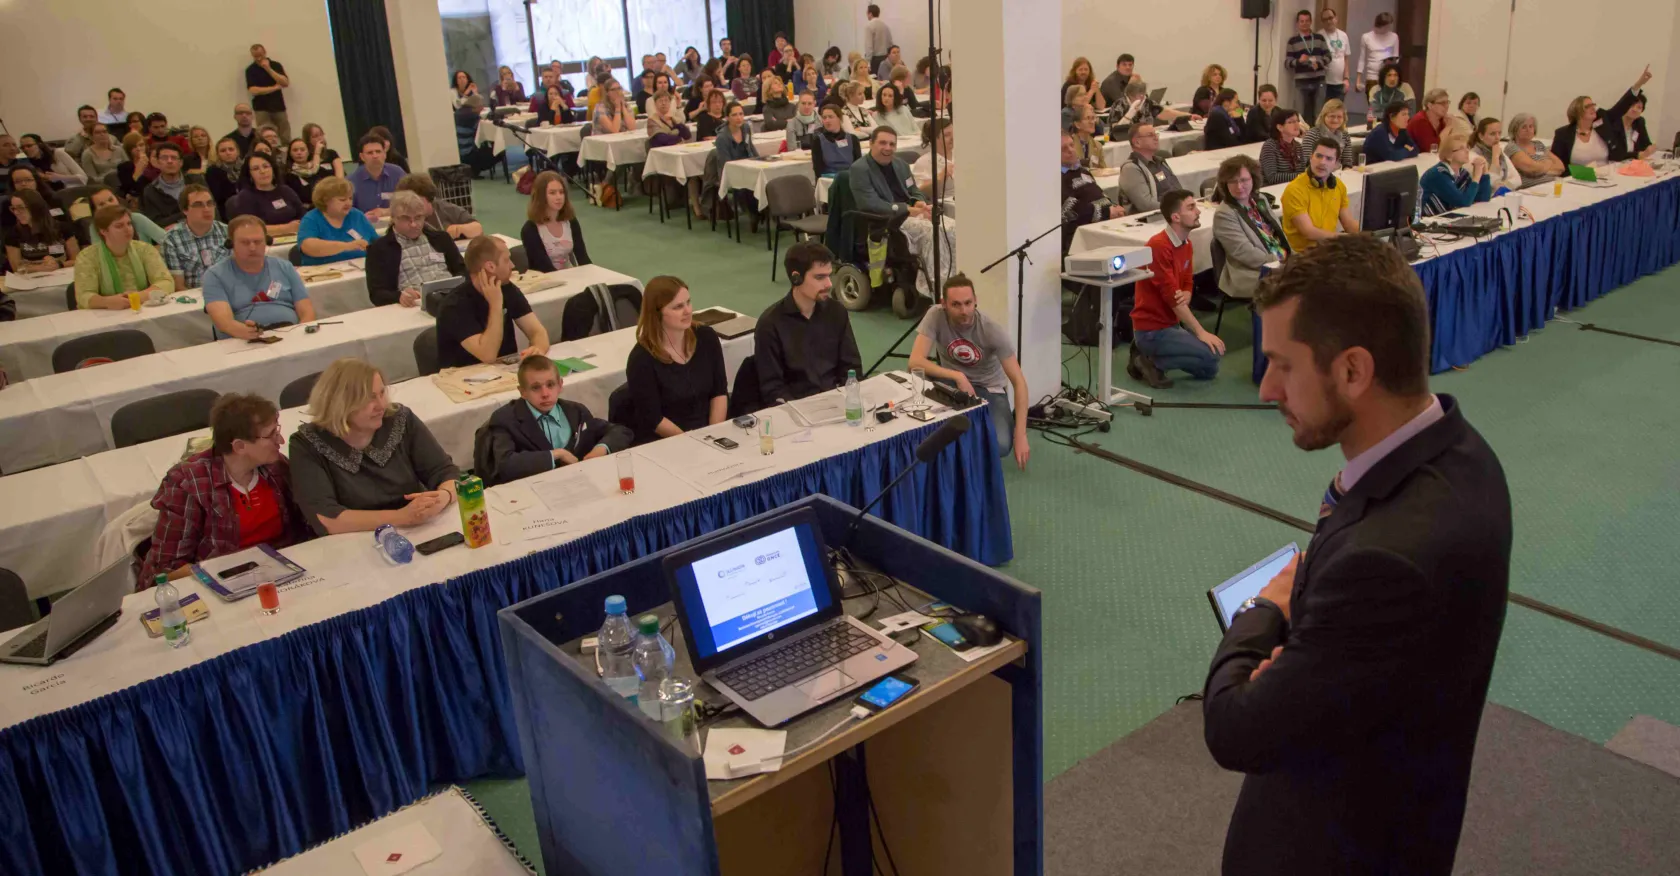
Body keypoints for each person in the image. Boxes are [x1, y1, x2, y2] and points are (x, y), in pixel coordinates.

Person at [1204, 233, 1511, 876]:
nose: (1265, 390)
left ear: (1352, 370)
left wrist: (1267, 609)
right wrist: (1313, 646)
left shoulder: (1384, 566)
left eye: (1283, 365)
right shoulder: (1467, 452)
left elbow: (1235, 728)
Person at [138, 394, 310, 584]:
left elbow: (304, 528)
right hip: (218, 581)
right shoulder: (188, 483)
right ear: (239, 446)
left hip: (279, 574)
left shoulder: (277, 467)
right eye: (271, 435)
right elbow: (167, 569)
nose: (281, 441)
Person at [289, 358, 460, 536]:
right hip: (353, 540)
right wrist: (402, 517)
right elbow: (327, 519)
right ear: (341, 404)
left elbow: (445, 472)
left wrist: (444, 496)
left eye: (382, 393)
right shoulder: (307, 444)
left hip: (418, 528)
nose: (381, 405)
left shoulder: (399, 418)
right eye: (369, 399)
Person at [908, 274, 1030, 469]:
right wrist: (957, 376)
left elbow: (1019, 382)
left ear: (975, 301)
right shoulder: (935, 315)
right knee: (919, 417)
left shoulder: (992, 330)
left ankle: (965, 438)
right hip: (951, 383)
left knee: (1001, 445)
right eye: (956, 305)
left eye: (968, 303)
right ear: (944, 304)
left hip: (989, 389)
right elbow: (914, 362)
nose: (964, 311)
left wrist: (1021, 434)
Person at [473, 355, 632, 486]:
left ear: (560, 385)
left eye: (550, 385)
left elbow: (621, 431)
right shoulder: (505, 419)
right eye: (536, 387)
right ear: (523, 392)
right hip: (533, 492)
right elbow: (505, 464)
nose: (545, 393)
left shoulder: (576, 412)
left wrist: (601, 448)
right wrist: (555, 455)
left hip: (578, 485)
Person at [1127, 189, 1221, 388]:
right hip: (1152, 329)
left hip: (1171, 324)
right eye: (1191, 207)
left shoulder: (1185, 243)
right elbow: (1172, 298)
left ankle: (1154, 356)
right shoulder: (1158, 246)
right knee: (1210, 357)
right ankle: (1147, 361)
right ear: (1175, 217)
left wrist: (1186, 292)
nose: (1198, 211)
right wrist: (1200, 332)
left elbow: (1187, 280)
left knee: (1209, 369)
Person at [624, 275, 729, 444]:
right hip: (667, 441)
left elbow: (719, 392)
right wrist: (692, 442)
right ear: (657, 314)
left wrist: (714, 435)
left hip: (711, 434)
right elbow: (655, 419)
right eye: (678, 307)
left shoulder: (706, 337)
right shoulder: (641, 359)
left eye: (688, 302)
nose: (688, 311)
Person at [755, 241, 863, 404]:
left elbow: (851, 368)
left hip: (838, 403)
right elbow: (773, 388)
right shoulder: (770, 324)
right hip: (796, 411)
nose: (829, 284)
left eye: (829, 275)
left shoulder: (836, 312)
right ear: (796, 278)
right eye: (820, 277)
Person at [437, 235, 550, 370]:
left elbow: (537, 331)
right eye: (507, 260)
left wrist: (537, 348)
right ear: (490, 266)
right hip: (466, 378)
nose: (513, 265)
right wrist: (496, 305)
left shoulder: (507, 288)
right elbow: (488, 355)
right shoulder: (454, 306)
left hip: (504, 371)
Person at [201, 215, 316, 338]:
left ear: (267, 241)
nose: (252, 248)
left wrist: (301, 335)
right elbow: (225, 323)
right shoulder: (214, 275)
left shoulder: (285, 267)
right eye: (245, 242)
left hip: (291, 334)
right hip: (242, 340)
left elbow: (307, 312)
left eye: (258, 241)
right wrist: (252, 333)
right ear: (231, 244)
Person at [364, 190, 467, 308]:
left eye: (418, 218)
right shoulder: (379, 249)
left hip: (451, 299)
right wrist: (398, 296)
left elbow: (463, 271)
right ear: (393, 218)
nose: (413, 224)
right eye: (406, 219)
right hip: (411, 306)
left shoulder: (441, 239)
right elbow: (376, 294)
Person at [1211, 154, 1291, 305]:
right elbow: (1244, 253)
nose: (1239, 187)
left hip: (1278, 259)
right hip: (1249, 272)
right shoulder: (1224, 213)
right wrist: (1278, 263)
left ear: (1253, 179)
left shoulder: (1260, 199)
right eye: (1232, 182)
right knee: (1297, 285)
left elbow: (1276, 234)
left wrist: (1288, 257)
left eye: (1243, 180)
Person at [73, 205, 174, 309]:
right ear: (103, 231)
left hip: (143, 307)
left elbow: (166, 281)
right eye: (119, 226)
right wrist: (106, 302)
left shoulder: (144, 249)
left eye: (129, 224)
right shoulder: (87, 257)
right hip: (107, 314)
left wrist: (139, 296)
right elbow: (83, 296)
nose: (127, 229)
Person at [1561, 65, 1652, 166]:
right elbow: (1561, 165)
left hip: (1607, 175)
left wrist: (1638, 84)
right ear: (1577, 111)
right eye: (1588, 106)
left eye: (1593, 105)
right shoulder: (1564, 133)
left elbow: (1621, 106)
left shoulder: (1602, 122)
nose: (1593, 108)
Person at [1281, 139, 1358, 252]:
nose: (1322, 162)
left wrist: (1369, 234)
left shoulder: (1338, 186)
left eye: (1329, 158)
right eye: (1319, 156)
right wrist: (1344, 238)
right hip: (1302, 255)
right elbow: (1309, 232)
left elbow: (1349, 225)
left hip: (1328, 249)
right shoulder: (1294, 190)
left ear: (1336, 164)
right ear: (1311, 157)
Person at [1061, 131, 1125, 254]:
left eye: (1072, 145)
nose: (1071, 150)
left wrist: (1113, 206)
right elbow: (1072, 212)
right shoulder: (1058, 180)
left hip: (1105, 228)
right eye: (1064, 148)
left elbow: (1100, 194)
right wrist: (1108, 211)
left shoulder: (1083, 171)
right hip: (1081, 240)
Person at [850, 127, 930, 222]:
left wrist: (918, 201)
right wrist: (906, 210)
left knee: (948, 226)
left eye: (892, 144)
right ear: (871, 143)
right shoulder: (860, 169)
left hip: (912, 212)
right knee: (933, 231)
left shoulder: (902, 165)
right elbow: (870, 204)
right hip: (887, 220)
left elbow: (913, 189)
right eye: (882, 143)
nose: (888, 148)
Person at [519, 170, 592, 273]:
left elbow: (582, 257)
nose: (559, 197)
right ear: (541, 196)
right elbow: (543, 267)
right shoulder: (530, 229)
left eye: (561, 192)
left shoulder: (571, 221)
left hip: (569, 275)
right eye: (552, 193)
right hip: (546, 280)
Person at [297, 176, 378, 266]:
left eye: (350, 198)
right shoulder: (311, 219)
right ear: (325, 200)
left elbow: (377, 242)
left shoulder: (357, 215)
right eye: (342, 200)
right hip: (323, 274)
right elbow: (308, 247)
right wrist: (347, 246)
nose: (348, 203)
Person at [161, 185, 228, 288]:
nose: (206, 209)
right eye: (198, 205)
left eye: (210, 203)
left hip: (228, 292)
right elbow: (178, 287)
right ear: (185, 210)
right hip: (194, 299)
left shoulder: (228, 232)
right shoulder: (171, 239)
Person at [225, 152, 304, 235]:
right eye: (256, 169)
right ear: (250, 175)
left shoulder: (286, 190)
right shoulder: (246, 196)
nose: (262, 171)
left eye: (265, 166)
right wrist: (286, 228)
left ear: (273, 169)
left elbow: (303, 215)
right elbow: (250, 228)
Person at [1420, 127, 1492, 217]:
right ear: (1449, 156)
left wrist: (1484, 173)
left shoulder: (1462, 173)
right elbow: (1463, 202)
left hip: (1448, 219)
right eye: (1461, 148)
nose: (1467, 151)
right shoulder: (1438, 174)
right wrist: (1476, 177)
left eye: (1467, 147)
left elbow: (1482, 199)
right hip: (1428, 222)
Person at [5, 190, 80, 274]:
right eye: (13, 208)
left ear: (35, 208)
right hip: (31, 280)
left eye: (21, 208)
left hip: (61, 275)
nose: (16, 212)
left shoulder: (63, 228)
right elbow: (17, 268)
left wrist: (59, 264)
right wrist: (41, 268)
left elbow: (77, 260)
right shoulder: (13, 234)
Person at [394, 172, 482, 241]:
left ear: (429, 198)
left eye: (416, 201)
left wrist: (460, 229)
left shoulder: (446, 209)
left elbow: (477, 228)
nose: (411, 207)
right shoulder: (403, 218)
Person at [1118, 124, 1183, 213]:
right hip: (1152, 218)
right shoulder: (1130, 169)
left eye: (1156, 134)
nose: (1156, 138)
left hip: (1171, 211)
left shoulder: (1159, 162)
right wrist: (1177, 206)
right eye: (1150, 135)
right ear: (1137, 142)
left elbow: (1177, 188)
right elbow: (1146, 205)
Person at [1600, 68, 1657, 162]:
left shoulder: (1639, 122)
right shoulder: (1613, 122)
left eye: (1639, 107)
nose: (1635, 110)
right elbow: (1616, 153)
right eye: (1632, 106)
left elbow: (1646, 145)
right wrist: (1637, 154)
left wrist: (1650, 148)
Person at [1285, 9, 1330, 125]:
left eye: (1307, 21)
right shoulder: (1292, 41)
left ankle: (1318, 137)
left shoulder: (1319, 38)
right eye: (1302, 21)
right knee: (1300, 114)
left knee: (1319, 113)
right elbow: (1287, 63)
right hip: (1301, 82)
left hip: (1319, 79)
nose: (1304, 23)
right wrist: (1299, 61)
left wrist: (1319, 63)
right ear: (1297, 23)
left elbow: (1329, 56)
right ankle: (1300, 138)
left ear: (1311, 22)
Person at [89, 186, 168, 245]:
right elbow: (98, 255)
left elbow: (167, 241)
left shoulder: (137, 218)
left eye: (110, 200)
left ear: (117, 199)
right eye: (102, 204)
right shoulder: (95, 228)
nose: (109, 205)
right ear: (95, 211)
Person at [1501, 113, 1563, 189]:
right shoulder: (1512, 147)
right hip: (1529, 190)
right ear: (1515, 129)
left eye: (1531, 126)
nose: (1528, 130)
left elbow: (1560, 167)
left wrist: (1539, 169)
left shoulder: (1538, 144)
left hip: (1550, 186)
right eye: (1524, 127)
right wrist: (1548, 163)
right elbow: (1531, 168)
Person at [347, 134, 404, 218]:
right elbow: (346, 212)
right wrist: (361, 217)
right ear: (362, 157)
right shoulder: (351, 181)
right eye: (370, 153)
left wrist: (386, 211)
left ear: (384, 154)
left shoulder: (397, 173)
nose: (375, 156)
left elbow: (410, 202)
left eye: (378, 151)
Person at [246, 43, 292, 141]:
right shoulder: (250, 70)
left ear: (265, 52)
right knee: (264, 135)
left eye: (260, 55)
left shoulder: (275, 65)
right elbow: (253, 90)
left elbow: (285, 82)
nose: (258, 58)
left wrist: (268, 69)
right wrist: (274, 88)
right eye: (255, 56)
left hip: (278, 106)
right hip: (261, 108)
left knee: (284, 134)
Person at [139, 143, 189, 226]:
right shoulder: (150, 191)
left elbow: (211, 210)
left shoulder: (195, 181)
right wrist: (187, 214)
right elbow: (155, 224)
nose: (169, 161)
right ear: (158, 162)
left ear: (181, 163)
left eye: (174, 158)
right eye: (164, 158)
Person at [807, 105, 863, 177]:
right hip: (828, 180)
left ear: (839, 118)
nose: (827, 120)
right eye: (824, 118)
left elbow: (858, 166)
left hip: (850, 179)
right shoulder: (818, 141)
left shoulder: (853, 139)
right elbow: (818, 169)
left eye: (831, 117)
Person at [1299, 99, 1355, 169]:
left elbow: (1347, 162)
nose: (1335, 120)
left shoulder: (1345, 135)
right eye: (1332, 116)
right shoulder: (1313, 134)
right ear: (1323, 117)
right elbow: (1306, 161)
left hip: (1338, 174)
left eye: (1339, 117)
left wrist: (1347, 171)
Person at [1472, 118, 1522, 193]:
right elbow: (1490, 183)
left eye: (1499, 133)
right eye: (1492, 134)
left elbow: (1518, 180)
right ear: (1481, 136)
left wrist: (1502, 186)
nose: (1497, 137)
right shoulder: (1474, 155)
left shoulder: (1499, 152)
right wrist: (1495, 157)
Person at [1259, 108, 1307, 186]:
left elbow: (1302, 170)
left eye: (1297, 121)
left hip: (1293, 186)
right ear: (1280, 127)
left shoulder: (1297, 146)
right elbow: (1272, 177)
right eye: (1291, 122)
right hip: (1272, 189)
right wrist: (1300, 176)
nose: (1297, 124)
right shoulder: (1270, 146)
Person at [1356, 12, 1401, 93]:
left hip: (1388, 76)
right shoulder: (1366, 37)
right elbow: (1362, 59)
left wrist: (1391, 63)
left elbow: (1396, 57)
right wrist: (1358, 79)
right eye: (1385, 26)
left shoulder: (1394, 37)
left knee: (1388, 104)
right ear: (1379, 25)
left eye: (1389, 26)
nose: (1387, 29)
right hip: (1372, 77)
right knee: (1373, 103)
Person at [20, 134, 86, 185]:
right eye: (22, 147)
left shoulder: (57, 153)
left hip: (71, 190)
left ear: (39, 145)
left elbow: (83, 177)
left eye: (29, 146)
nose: (25, 149)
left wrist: (60, 177)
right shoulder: (27, 164)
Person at [914, 118, 956, 198]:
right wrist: (940, 177)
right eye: (947, 135)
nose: (953, 138)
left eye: (954, 133)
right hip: (946, 205)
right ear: (934, 138)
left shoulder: (960, 154)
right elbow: (919, 192)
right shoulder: (924, 162)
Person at [204, 137, 245, 217]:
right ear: (218, 154)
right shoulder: (213, 171)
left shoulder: (246, 167)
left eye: (231, 149)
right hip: (224, 211)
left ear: (237, 152)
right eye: (223, 151)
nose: (228, 153)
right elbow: (217, 196)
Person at [1364, 61, 1414, 127]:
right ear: (1383, 77)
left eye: (1395, 75)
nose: (1392, 79)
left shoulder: (1406, 88)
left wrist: (1384, 114)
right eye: (1389, 75)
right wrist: (1396, 115)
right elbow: (1373, 113)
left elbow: (1411, 114)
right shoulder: (1375, 89)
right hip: (1380, 126)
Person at [1319, 8, 1352, 101]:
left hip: (1340, 83)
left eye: (1330, 18)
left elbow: (1346, 58)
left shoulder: (1343, 35)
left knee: (1338, 110)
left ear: (1336, 18)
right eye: (1325, 19)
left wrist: (1346, 79)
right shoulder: (1319, 36)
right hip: (1324, 82)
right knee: (1324, 111)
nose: (1329, 21)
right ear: (1322, 22)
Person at [286, 138, 332, 204]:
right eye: (295, 150)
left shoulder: (321, 170)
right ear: (290, 154)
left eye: (302, 150)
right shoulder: (288, 176)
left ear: (308, 152)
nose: (299, 152)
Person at [1408, 88, 1451, 155]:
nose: (1447, 106)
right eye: (1442, 103)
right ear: (1430, 105)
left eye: (1447, 102)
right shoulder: (1420, 121)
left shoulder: (1443, 120)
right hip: (1414, 161)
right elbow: (1431, 150)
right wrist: (1448, 128)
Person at [865, 4, 893, 72]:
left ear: (870, 14)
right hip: (885, 57)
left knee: (875, 80)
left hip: (875, 59)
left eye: (867, 13)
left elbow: (869, 46)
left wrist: (867, 61)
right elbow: (890, 43)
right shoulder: (885, 26)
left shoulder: (869, 26)